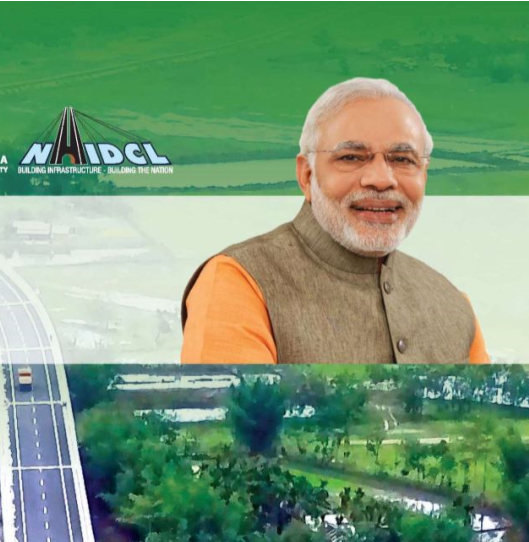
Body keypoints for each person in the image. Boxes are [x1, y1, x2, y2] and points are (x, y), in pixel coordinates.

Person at [182, 78, 489, 366]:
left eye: (402, 160)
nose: (381, 179)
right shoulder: (239, 281)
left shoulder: (454, 306)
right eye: (352, 157)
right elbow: (237, 419)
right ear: (307, 175)